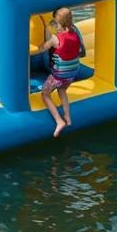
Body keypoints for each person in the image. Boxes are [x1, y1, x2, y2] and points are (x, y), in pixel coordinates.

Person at [38, 7, 85, 137]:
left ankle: (59, 121)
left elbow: (43, 48)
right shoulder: (75, 33)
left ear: (57, 21)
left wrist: (40, 45)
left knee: (45, 94)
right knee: (62, 90)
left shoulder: (55, 38)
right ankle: (68, 117)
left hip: (60, 75)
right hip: (73, 72)